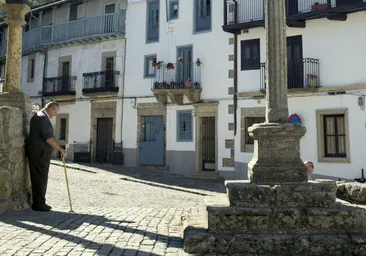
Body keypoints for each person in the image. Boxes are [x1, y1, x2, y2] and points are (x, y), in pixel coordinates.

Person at [26, 101, 67, 212]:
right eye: (55, 111)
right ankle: (39, 204)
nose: (55, 114)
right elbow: (49, 138)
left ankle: (41, 201)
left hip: (39, 153)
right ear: (50, 108)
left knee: (41, 177)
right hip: (39, 153)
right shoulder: (42, 118)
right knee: (40, 178)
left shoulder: (40, 116)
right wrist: (61, 150)